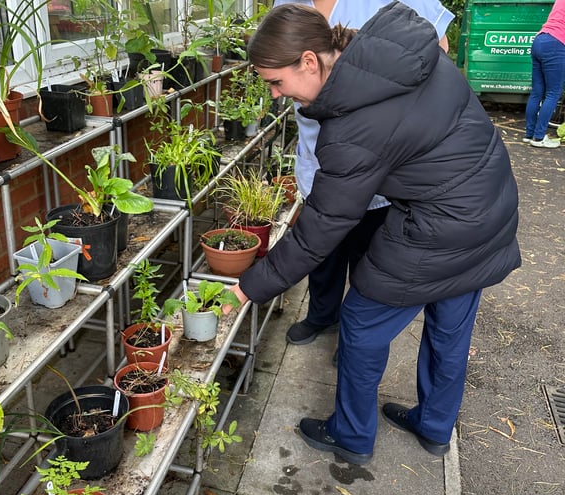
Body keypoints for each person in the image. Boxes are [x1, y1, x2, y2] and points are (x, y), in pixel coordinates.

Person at [226, 2, 521, 464]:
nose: (277, 96)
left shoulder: (353, 127)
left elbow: (321, 227)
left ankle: (351, 435)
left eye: (276, 83)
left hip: (442, 224)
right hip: (491, 206)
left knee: (361, 324)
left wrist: (250, 287)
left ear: (309, 60)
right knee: (449, 329)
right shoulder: (395, 52)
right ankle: (434, 426)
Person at [272, 0, 454, 353]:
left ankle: (357, 334)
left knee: (368, 255)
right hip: (317, 154)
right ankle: (323, 314)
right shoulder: (288, 2)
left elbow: (437, 51)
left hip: (375, 161)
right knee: (323, 248)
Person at [524, 0, 565, 148]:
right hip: (557, 42)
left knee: (536, 92)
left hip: (540, 39)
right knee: (553, 93)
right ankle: (539, 137)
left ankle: (529, 134)